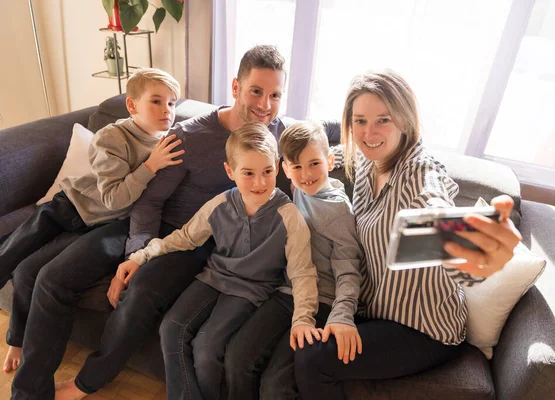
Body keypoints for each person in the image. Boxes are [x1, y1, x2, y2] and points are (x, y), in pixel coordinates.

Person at [11, 45, 289, 399]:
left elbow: (320, 139)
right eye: (256, 91)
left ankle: (86, 383)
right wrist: (138, 250)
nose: (265, 105)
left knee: (139, 293)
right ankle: (29, 393)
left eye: (275, 95)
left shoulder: (278, 135)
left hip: (193, 241)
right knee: (50, 278)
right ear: (235, 87)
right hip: (143, 223)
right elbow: (151, 201)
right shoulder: (189, 134)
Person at [293, 69, 523, 400]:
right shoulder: (363, 157)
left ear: (404, 119)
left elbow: (435, 208)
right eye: (359, 121)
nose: (369, 132)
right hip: (373, 306)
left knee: (313, 359)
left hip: (423, 329)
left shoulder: (418, 173)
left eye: (383, 120)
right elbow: (319, 142)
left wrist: (475, 245)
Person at [0, 68, 182, 373]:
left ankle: (17, 339)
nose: (167, 110)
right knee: (14, 251)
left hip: (96, 225)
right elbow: (113, 198)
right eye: (157, 102)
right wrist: (149, 166)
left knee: (30, 271)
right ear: (133, 105)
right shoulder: (113, 136)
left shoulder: (167, 143)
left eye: (172, 103)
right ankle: (16, 340)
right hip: (70, 206)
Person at [120, 122, 318, 400]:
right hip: (212, 278)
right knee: (170, 329)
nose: (259, 182)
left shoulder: (289, 217)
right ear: (230, 171)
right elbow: (185, 237)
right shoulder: (221, 204)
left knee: (206, 348)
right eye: (248, 173)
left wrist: (304, 319)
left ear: (277, 165)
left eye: (267, 171)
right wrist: (140, 256)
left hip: (250, 292)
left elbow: (302, 273)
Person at [225, 121, 364, 400]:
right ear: (284, 169)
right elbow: (315, 138)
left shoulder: (338, 212)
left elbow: (350, 270)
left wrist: (343, 314)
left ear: (330, 161)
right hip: (286, 293)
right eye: (297, 167)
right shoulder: (297, 187)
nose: (307, 174)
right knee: (236, 359)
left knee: (276, 386)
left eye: (314, 164)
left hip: (323, 302)